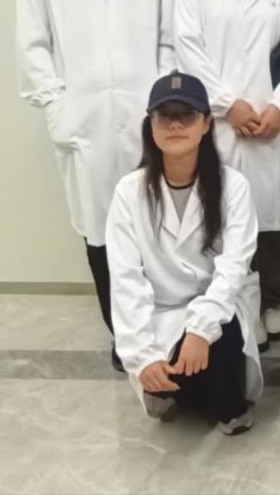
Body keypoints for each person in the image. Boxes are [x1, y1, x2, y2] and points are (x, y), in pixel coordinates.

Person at [16, 0, 177, 370]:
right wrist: (59, 110)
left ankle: (164, 326)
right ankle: (123, 335)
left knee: (156, 225)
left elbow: (169, 40)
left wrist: (162, 105)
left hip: (149, 118)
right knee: (102, 233)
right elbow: (33, 47)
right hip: (83, 123)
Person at [174, 0, 280, 348]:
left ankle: (271, 301)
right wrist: (228, 103)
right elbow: (187, 45)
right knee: (222, 214)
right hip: (219, 120)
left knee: (269, 219)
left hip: (270, 121)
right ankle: (230, 302)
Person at [106, 72, 260, 435]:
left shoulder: (233, 187)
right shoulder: (129, 193)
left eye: (186, 115)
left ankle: (222, 397)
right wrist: (142, 355)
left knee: (220, 356)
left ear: (206, 124)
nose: (175, 125)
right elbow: (126, 279)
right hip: (161, 310)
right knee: (168, 376)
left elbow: (232, 268)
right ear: (151, 126)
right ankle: (181, 384)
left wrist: (200, 330)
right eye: (165, 116)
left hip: (220, 305)